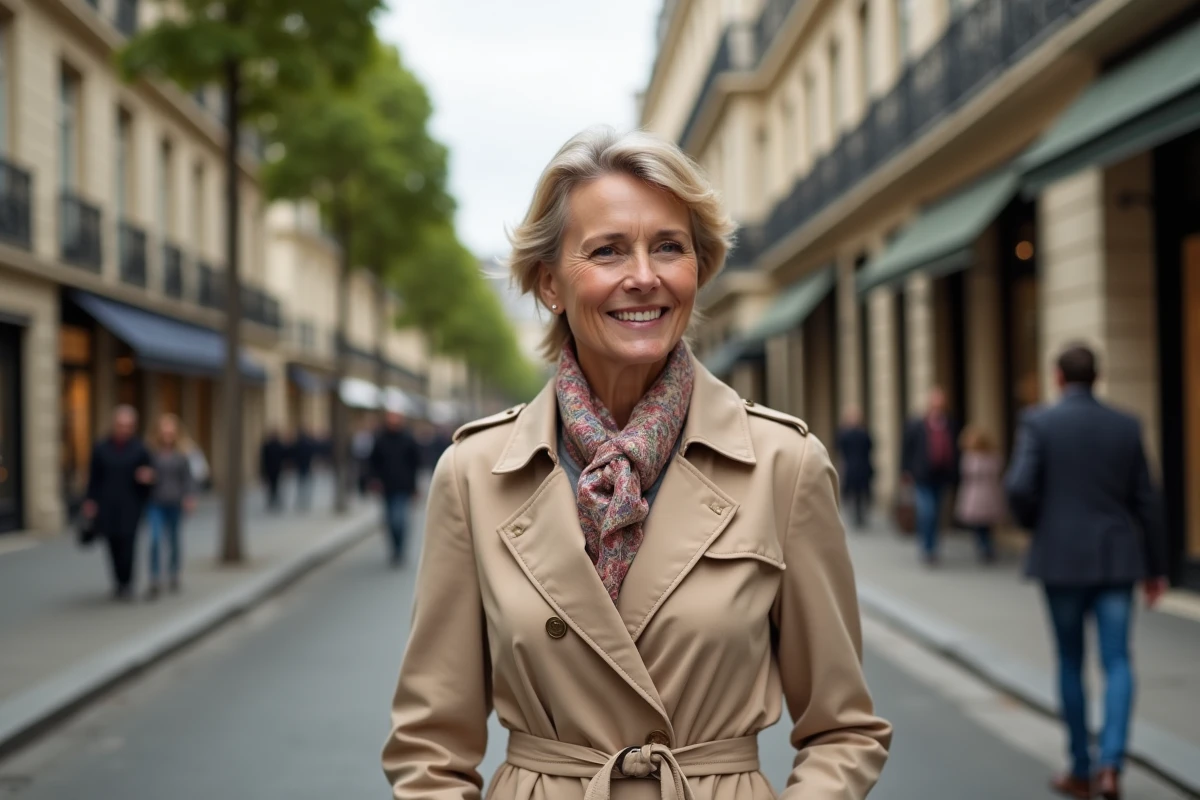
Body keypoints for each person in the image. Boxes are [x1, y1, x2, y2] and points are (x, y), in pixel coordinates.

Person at [382, 128, 891, 799]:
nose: (645, 276)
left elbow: (842, 730)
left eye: (669, 248)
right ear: (550, 283)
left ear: (698, 270)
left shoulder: (782, 465)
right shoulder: (476, 474)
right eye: (608, 251)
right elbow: (430, 749)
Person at [1005, 344, 1168, 800]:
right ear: (1096, 377)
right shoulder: (1126, 424)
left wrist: (1036, 525)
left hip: (1060, 559)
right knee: (1118, 661)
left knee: (1070, 661)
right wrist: (1156, 569)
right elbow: (1148, 503)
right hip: (1117, 558)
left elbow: (1018, 486)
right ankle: (1112, 765)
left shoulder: (1039, 422)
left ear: (1058, 378)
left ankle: (1081, 768)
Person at [82, 405, 154, 601]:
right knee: (112, 544)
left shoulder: (140, 449)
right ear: (114, 425)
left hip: (131, 505)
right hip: (107, 505)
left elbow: (151, 475)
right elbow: (94, 477)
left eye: (128, 425)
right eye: (121, 425)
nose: (124, 429)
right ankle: (118, 583)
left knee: (128, 544)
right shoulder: (101, 447)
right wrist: (90, 500)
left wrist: (147, 478)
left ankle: (127, 583)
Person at [901, 386, 959, 565]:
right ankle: (926, 547)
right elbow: (906, 449)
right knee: (927, 511)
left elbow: (955, 449)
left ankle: (933, 547)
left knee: (937, 512)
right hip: (922, 475)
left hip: (941, 475)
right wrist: (905, 471)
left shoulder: (950, 424)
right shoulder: (917, 424)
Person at [145, 414, 196, 599]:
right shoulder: (151, 452)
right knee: (156, 539)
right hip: (155, 502)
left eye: (171, 431)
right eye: (164, 430)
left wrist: (189, 497)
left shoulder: (182, 453)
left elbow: (188, 478)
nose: (167, 434)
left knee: (174, 540)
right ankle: (155, 577)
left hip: (175, 502)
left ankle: (174, 572)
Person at [368, 409, 422, 567]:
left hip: (404, 487)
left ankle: (400, 549)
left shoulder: (408, 439)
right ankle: (394, 549)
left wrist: (415, 487)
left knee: (400, 520)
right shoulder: (380, 439)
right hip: (386, 487)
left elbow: (415, 464)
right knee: (389, 520)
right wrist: (373, 480)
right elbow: (373, 462)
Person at [954, 425, 1004, 564]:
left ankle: (985, 547)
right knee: (981, 523)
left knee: (983, 523)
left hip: (980, 493)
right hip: (983, 492)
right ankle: (985, 547)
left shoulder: (975, 457)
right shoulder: (983, 456)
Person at [835, 405, 874, 529]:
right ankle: (857, 515)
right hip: (853, 466)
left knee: (861, 492)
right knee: (854, 491)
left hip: (860, 467)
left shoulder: (860, 433)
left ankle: (860, 515)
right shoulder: (848, 433)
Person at [260, 429, 287, 512]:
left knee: (274, 486)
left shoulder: (271, 446)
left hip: (273, 469)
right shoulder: (271, 446)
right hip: (274, 469)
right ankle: (274, 501)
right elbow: (263, 460)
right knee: (274, 486)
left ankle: (274, 501)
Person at [290, 427, 316, 511]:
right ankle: (306, 501)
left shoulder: (297, 444)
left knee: (301, 485)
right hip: (307, 466)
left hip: (300, 467)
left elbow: (294, 455)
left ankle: (301, 501)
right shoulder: (308, 444)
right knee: (306, 485)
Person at [351, 420, 376, 497]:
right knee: (361, 474)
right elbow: (355, 447)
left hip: (367, 458)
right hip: (360, 458)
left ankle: (365, 488)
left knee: (366, 474)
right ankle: (361, 488)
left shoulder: (370, 437)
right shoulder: (358, 436)